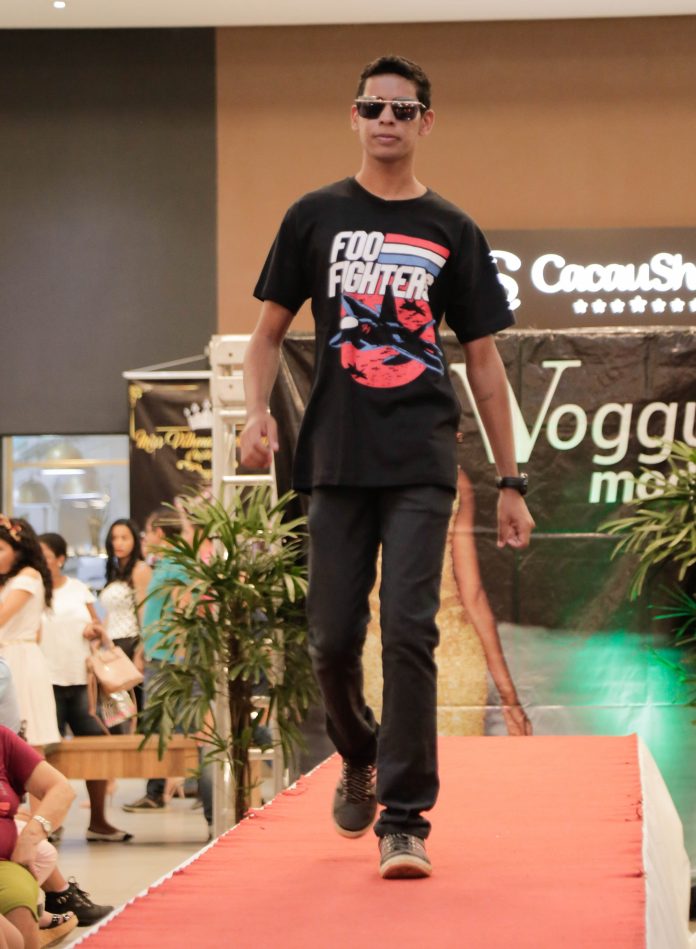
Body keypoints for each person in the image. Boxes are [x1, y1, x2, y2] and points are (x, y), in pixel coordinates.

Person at [240, 55, 534, 880]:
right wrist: (257, 412)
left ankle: (405, 820)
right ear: (354, 116)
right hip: (335, 461)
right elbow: (266, 336)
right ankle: (359, 752)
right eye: (373, 107)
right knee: (332, 638)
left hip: (419, 459)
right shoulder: (314, 216)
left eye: (403, 110)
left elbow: (484, 363)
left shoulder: (451, 228)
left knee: (410, 631)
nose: (387, 121)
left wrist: (511, 481)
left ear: (425, 122)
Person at [122, 508, 213, 834]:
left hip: (172, 661)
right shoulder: (163, 564)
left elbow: (185, 609)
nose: (145, 538)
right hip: (159, 655)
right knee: (158, 725)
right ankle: (159, 790)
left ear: (160, 533)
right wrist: (143, 647)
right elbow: (157, 612)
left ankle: (190, 792)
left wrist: (181, 655)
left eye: (147, 532)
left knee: (183, 729)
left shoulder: (178, 565)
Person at [38, 533, 132, 843]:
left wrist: (94, 630)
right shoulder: (32, 590)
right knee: (46, 755)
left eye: (46, 556)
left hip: (81, 681)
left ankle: (99, 821)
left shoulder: (78, 589)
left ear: (60, 559)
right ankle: (48, 823)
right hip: (45, 682)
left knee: (96, 749)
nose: (42, 562)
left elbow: (96, 625)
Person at [0, 723, 76, 949]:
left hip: (4, 863)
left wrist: (30, 836)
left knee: (18, 902)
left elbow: (61, 788)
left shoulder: (2, 738)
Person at [0, 517, 60, 747]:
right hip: (11, 656)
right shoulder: (11, 580)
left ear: (18, 551)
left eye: (1, 549)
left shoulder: (29, 576)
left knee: (29, 738)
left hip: (20, 660)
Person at [99, 519, 151, 721]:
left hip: (131, 642)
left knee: (133, 710)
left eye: (124, 538)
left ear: (134, 541)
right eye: (114, 538)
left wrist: (141, 651)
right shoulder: (114, 572)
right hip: (112, 646)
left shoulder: (140, 569)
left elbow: (144, 612)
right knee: (117, 714)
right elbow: (110, 613)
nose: (118, 543)